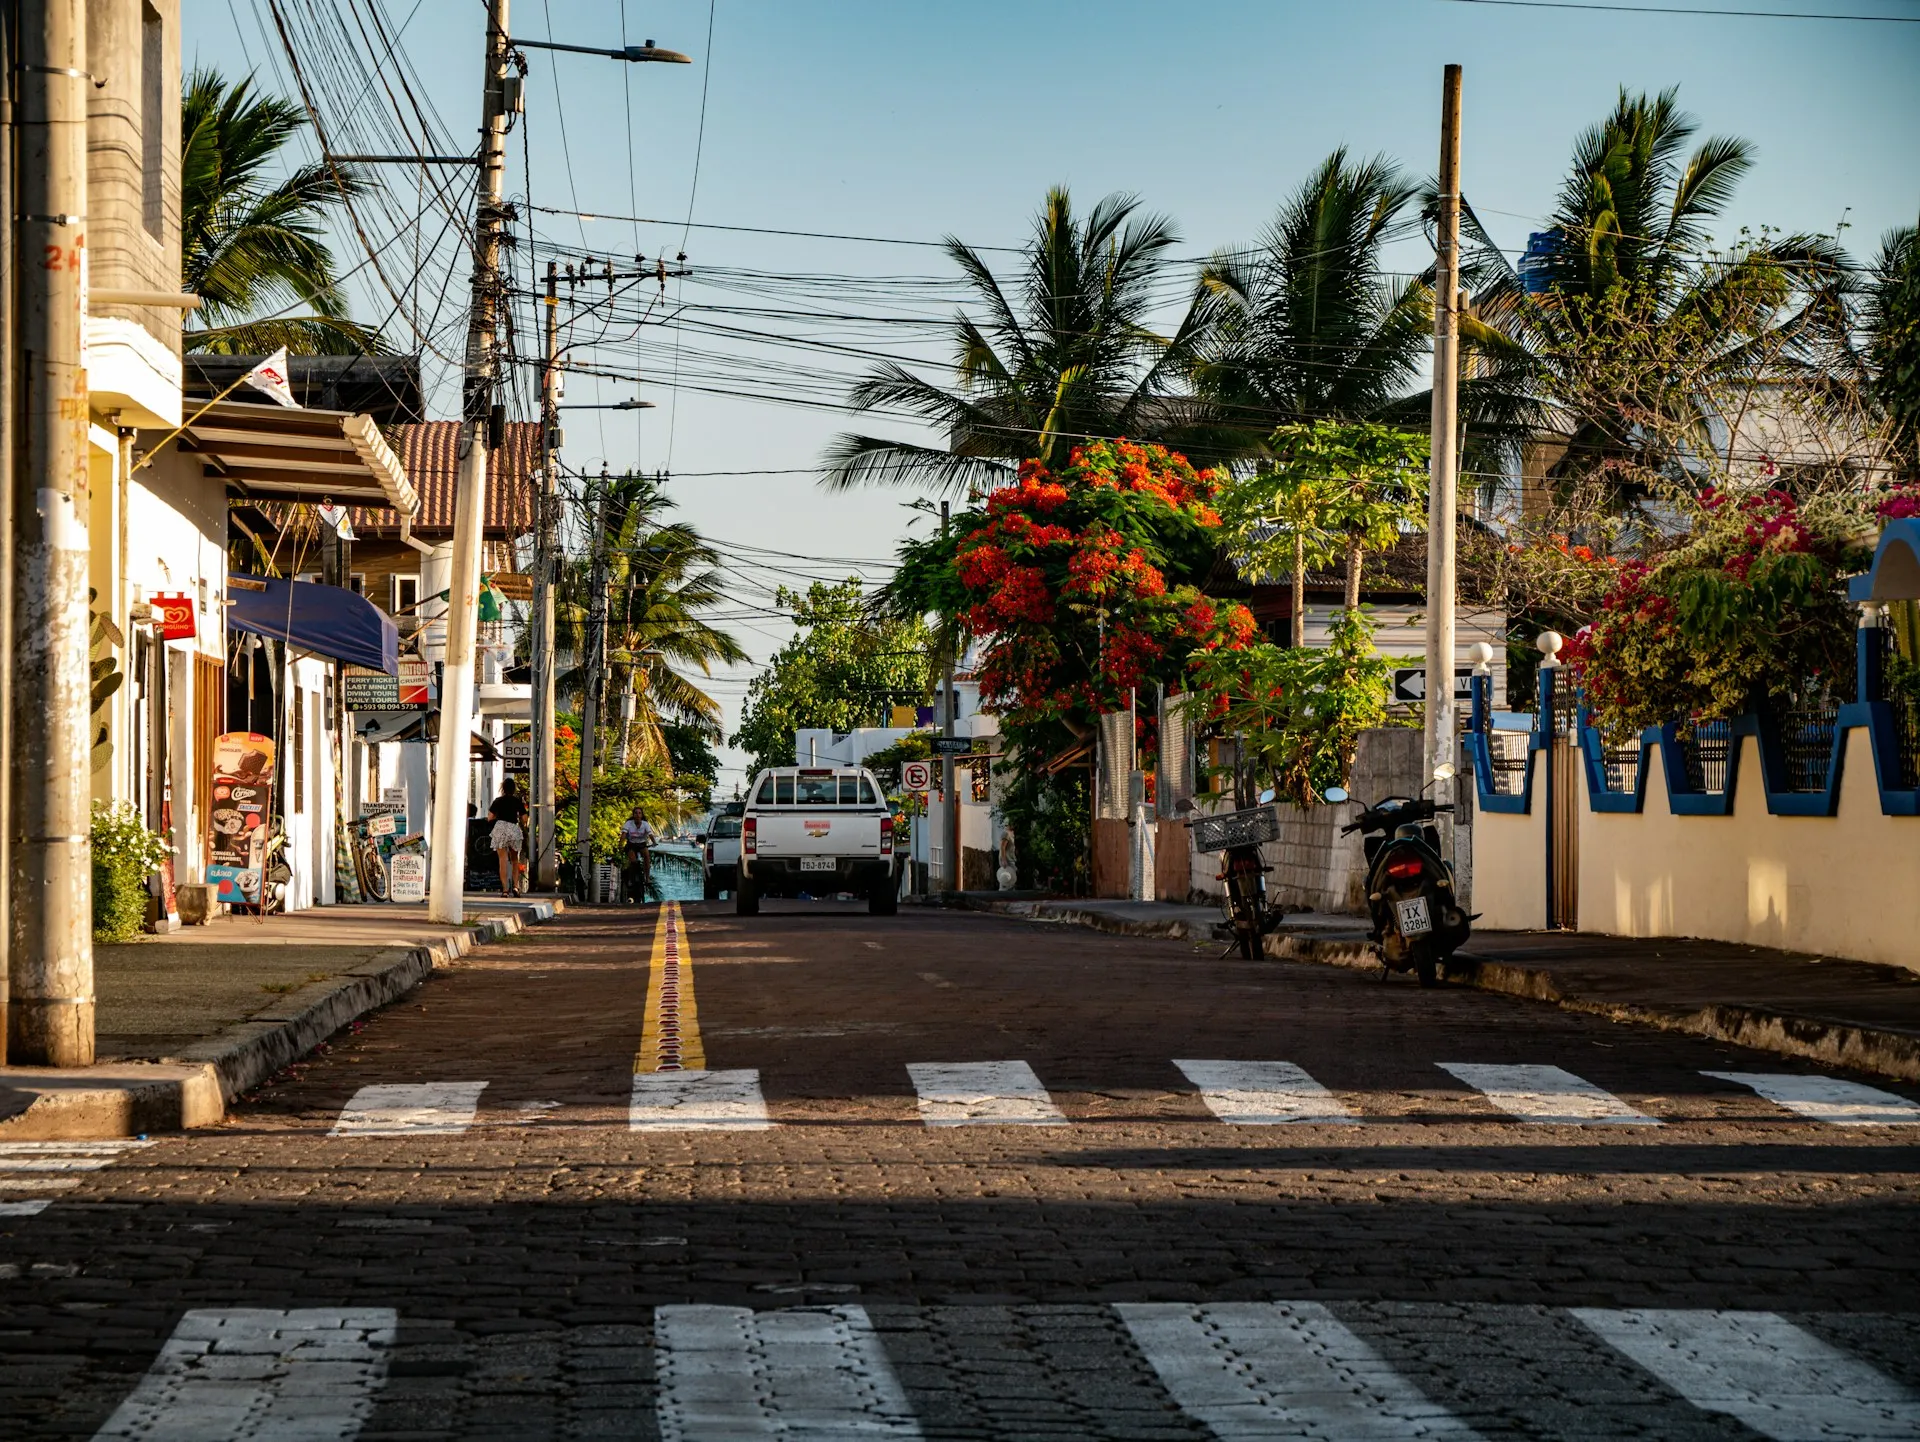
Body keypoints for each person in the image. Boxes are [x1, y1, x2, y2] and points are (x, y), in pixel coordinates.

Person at [487, 778, 529, 895]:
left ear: (503, 788)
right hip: (513, 829)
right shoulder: (517, 801)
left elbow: (490, 817)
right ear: (514, 788)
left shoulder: (498, 801)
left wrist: (498, 817)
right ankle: (516, 887)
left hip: (500, 828)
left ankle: (505, 890)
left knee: (502, 860)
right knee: (515, 860)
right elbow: (524, 818)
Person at [619, 805, 657, 903]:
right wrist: (620, 845)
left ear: (642, 815)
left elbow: (650, 834)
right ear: (633, 814)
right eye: (636, 813)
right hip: (631, 844)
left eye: (639, 813)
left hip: (641, 844)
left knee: (647, 857)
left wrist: (654, 842)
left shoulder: (645, 824)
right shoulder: (628, 823)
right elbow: (623, 835)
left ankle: (647, 877)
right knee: (633, 862)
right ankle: (631, 879)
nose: (637, 815)